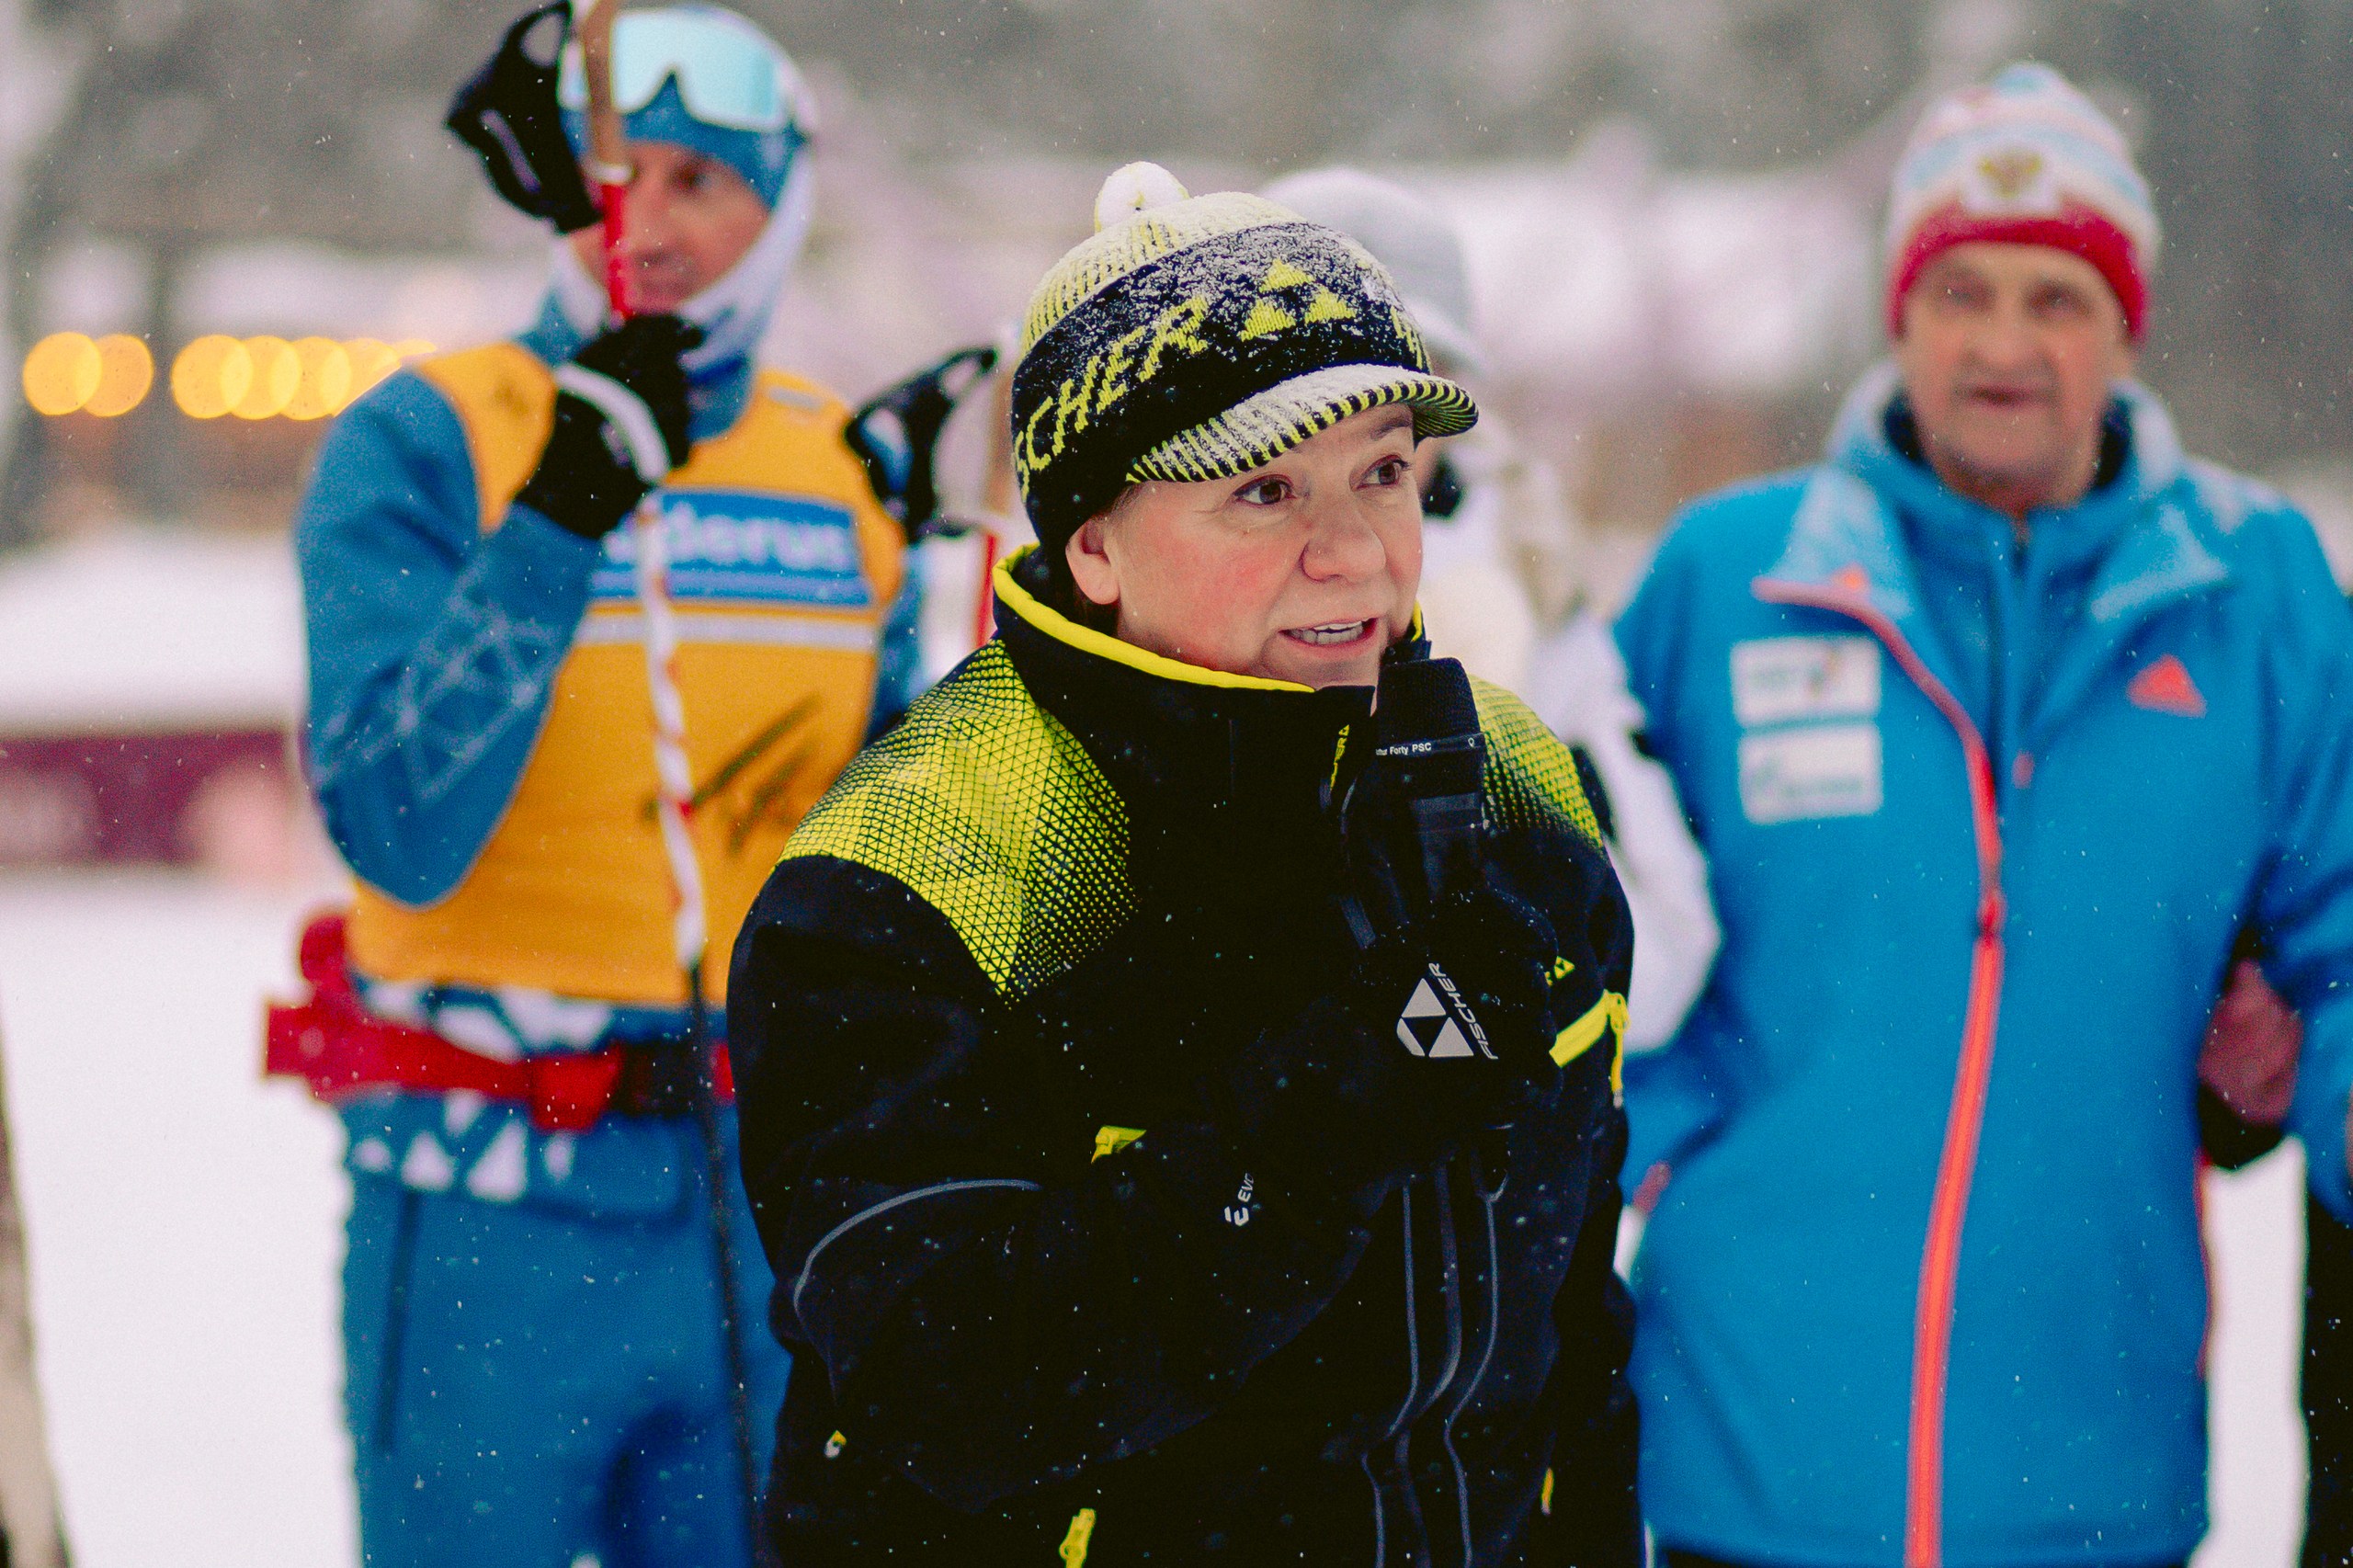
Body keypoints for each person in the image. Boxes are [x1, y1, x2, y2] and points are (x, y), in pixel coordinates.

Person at [727, 165, 1641, 1565]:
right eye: (1264, 489)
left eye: (1385, 472)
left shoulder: (1516, 794)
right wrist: (1355, 1088)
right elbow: (960, 1400)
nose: (1351, 555)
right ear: (1091, 540)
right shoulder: (909, 877)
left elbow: (1565, 1349)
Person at [1613, 62, 2353, 1566]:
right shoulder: (1727, 578)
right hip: (1742, 1462)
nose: (2005, 344)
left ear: (2125, 329)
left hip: (2093, 1465)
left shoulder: (2258, 590)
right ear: (1900, 316)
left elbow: (2340, 940)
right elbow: (1585, 921)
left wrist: (2297, 1077)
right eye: (1962, 292)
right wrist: (1648, 1140)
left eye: (2057, 298)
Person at [286, 7, 910, 1562]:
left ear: (786, 202)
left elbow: (898, 853)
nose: (667, 222)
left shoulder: (840, 464)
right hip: (490, 1201)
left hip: (759, 1202)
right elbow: (399, 825)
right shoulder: (429, 439)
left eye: (713, 178)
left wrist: (965, 591)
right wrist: (563, 511)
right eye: (627, 172)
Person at [1266, 165, 1719, 1058]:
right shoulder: (1167, 591)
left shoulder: (1530, 590)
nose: (1350, 429)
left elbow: (1658, 949)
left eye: (1393, 389)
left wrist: (1472, 864)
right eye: (1306, 384)